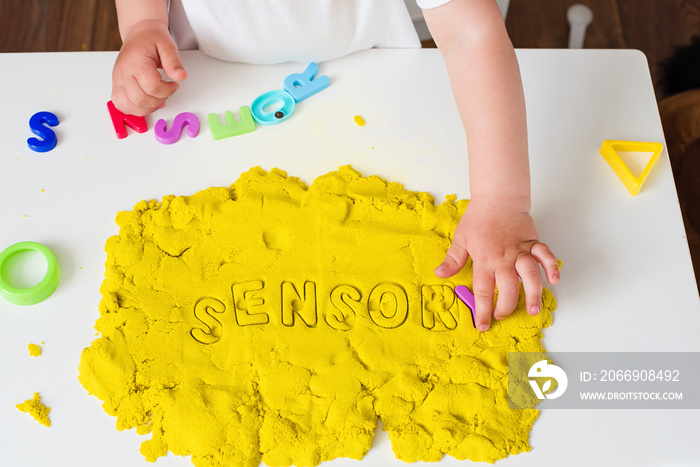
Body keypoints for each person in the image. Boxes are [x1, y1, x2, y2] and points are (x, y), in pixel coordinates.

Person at [111, 0, 560, 332]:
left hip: (374, 61)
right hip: (210, 58)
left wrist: (501, 200)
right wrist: (143, 24)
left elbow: (470, 34)